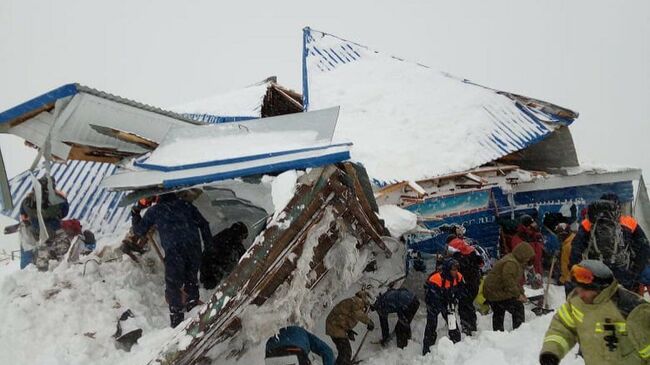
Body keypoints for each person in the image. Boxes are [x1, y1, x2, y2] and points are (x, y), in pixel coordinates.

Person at [539, 260, 650, 365]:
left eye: (585, 290)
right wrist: (551, 351)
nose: (580, 294)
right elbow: (562, 327)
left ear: (601, 289)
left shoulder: (633, 309)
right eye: (578, 288)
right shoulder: (576, 302)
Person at [131, 192, 213, 328]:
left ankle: (177, 321)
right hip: (193, 249)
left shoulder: (155, 210)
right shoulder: (186, 205)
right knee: (191, 280)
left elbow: (139, 231)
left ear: (156, 197)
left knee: (173, 287)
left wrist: (136, 212)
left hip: (175, 252)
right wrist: (209, 247)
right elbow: (204, 224)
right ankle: (194, 311)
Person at [569, 193, 650, 291]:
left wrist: (576, 270)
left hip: (597, 272)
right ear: (618, 207)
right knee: (622, 301)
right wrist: (634, 271)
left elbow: (575, 249)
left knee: (600, 301)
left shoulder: (588, 223)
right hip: (623, 272)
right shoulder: (629, 222)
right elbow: (644, 246)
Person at [19, 175, 70, 270]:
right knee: (62, 249)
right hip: (54, 231)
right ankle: (60, 265)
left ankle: (31, 266)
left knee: (32, 242)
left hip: (35, 232)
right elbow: (64, 213)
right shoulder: (58, 199)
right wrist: (62, 197)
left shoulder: (26, 200)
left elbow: (23, 217)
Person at [483, 242, 535, 332]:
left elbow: (514, 282)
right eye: (528, 257)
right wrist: (518, 295)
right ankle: (519, 331)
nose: (529, 260)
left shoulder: (513, 260)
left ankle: (498, 334)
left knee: (499, 312)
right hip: (496, 291)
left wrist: (521, 293)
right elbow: (508, 281)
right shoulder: (512, 263)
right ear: (523, 255)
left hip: (492, 290)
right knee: (517, 307)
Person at [422, 258, 465, 355]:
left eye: (456, 269)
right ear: (447, 269)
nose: (455, 272)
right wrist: (440, 306)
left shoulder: (458, 277)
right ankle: (427, 349)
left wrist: (455, 299)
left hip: (448, 300)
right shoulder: (435, 279)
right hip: (433, 302)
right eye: (453, 269)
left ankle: (456, 344)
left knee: (452, 322)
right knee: (431, 324)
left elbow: (461, 290)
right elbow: (431, 296)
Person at [325, 290, 375, 365]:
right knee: (345, 351)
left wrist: (348, 330)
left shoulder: (354, 302)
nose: (367, 308)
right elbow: (358, 314)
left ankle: (344, 363)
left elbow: (344, 317)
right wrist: (369, 322)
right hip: (334, 326)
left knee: (345, 351)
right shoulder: (357, 301)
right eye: (368, 305)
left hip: (336, 326)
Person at [447, 234, 483, 335]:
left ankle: (467, 329)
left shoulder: (455, 255)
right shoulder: (471, 250)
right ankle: (472, 326)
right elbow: (481, 263)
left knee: (463, 307)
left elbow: (453, 271)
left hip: (464, 284)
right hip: (474, 283)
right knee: (469, 305)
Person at [200, 221, 249, 289]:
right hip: (212, 274)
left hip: (206, 270)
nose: (242, 241)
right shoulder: (232, 241)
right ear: (239, 235)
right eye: (243, 238)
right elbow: (246, 256)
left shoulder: (222, 236)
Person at [265, 326, 334, 365]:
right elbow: (328, 351)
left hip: (271, 355)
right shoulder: (304, 333)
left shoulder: (276, 332)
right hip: (296, 352)